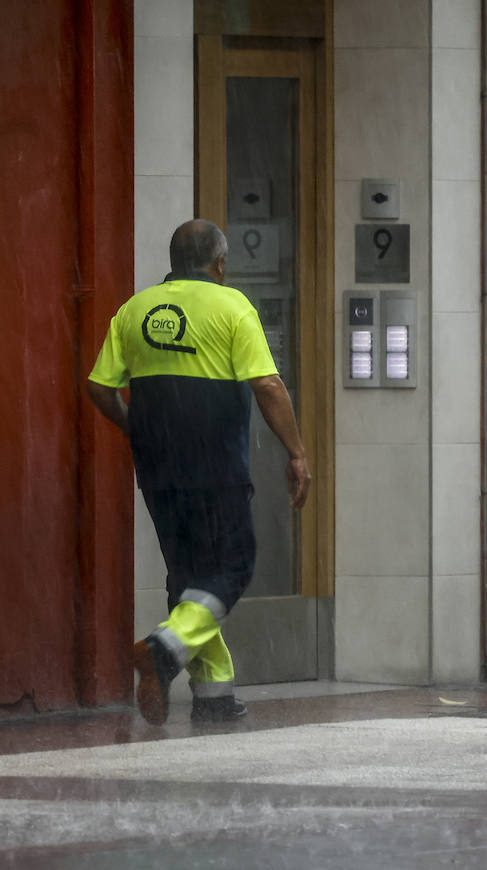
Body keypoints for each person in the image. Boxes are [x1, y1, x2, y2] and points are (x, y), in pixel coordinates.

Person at [86, 219, 310, 725]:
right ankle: (164, 649)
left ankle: (213, 696)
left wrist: (134, 427)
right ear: (220, 263)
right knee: (233, 566)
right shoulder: (232, 307)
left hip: (158, 466)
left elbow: (99, 387)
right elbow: (268, 385)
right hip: (216, 464)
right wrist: (296, 452)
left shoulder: (135, 309)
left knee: (188, 576)